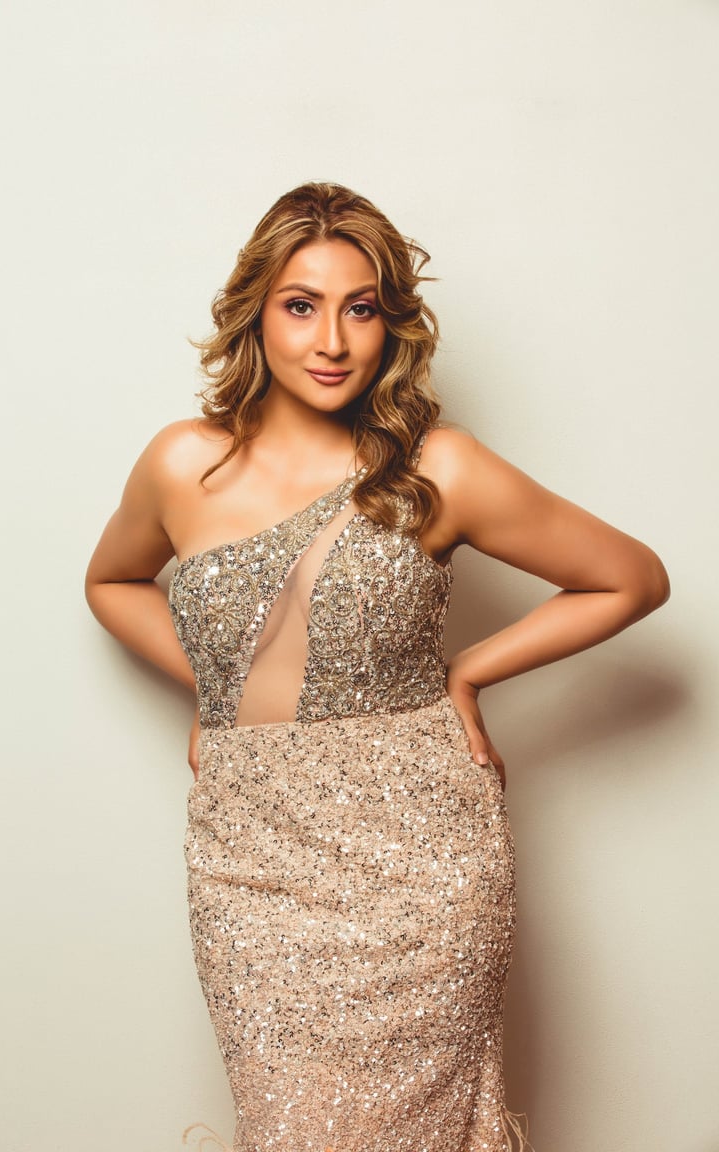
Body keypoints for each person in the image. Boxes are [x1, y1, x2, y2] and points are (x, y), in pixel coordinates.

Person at [85, 182, 669, 1152]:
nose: (332, 341)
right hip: (252, 869)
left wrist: (468, 673)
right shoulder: (182, 464)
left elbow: (629, 579)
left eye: (360, 308)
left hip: (425, 867)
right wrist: (217, 685)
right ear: (255, 314)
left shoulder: (438, 469)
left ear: (391, 323)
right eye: (300, 305)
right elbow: (111, 582)